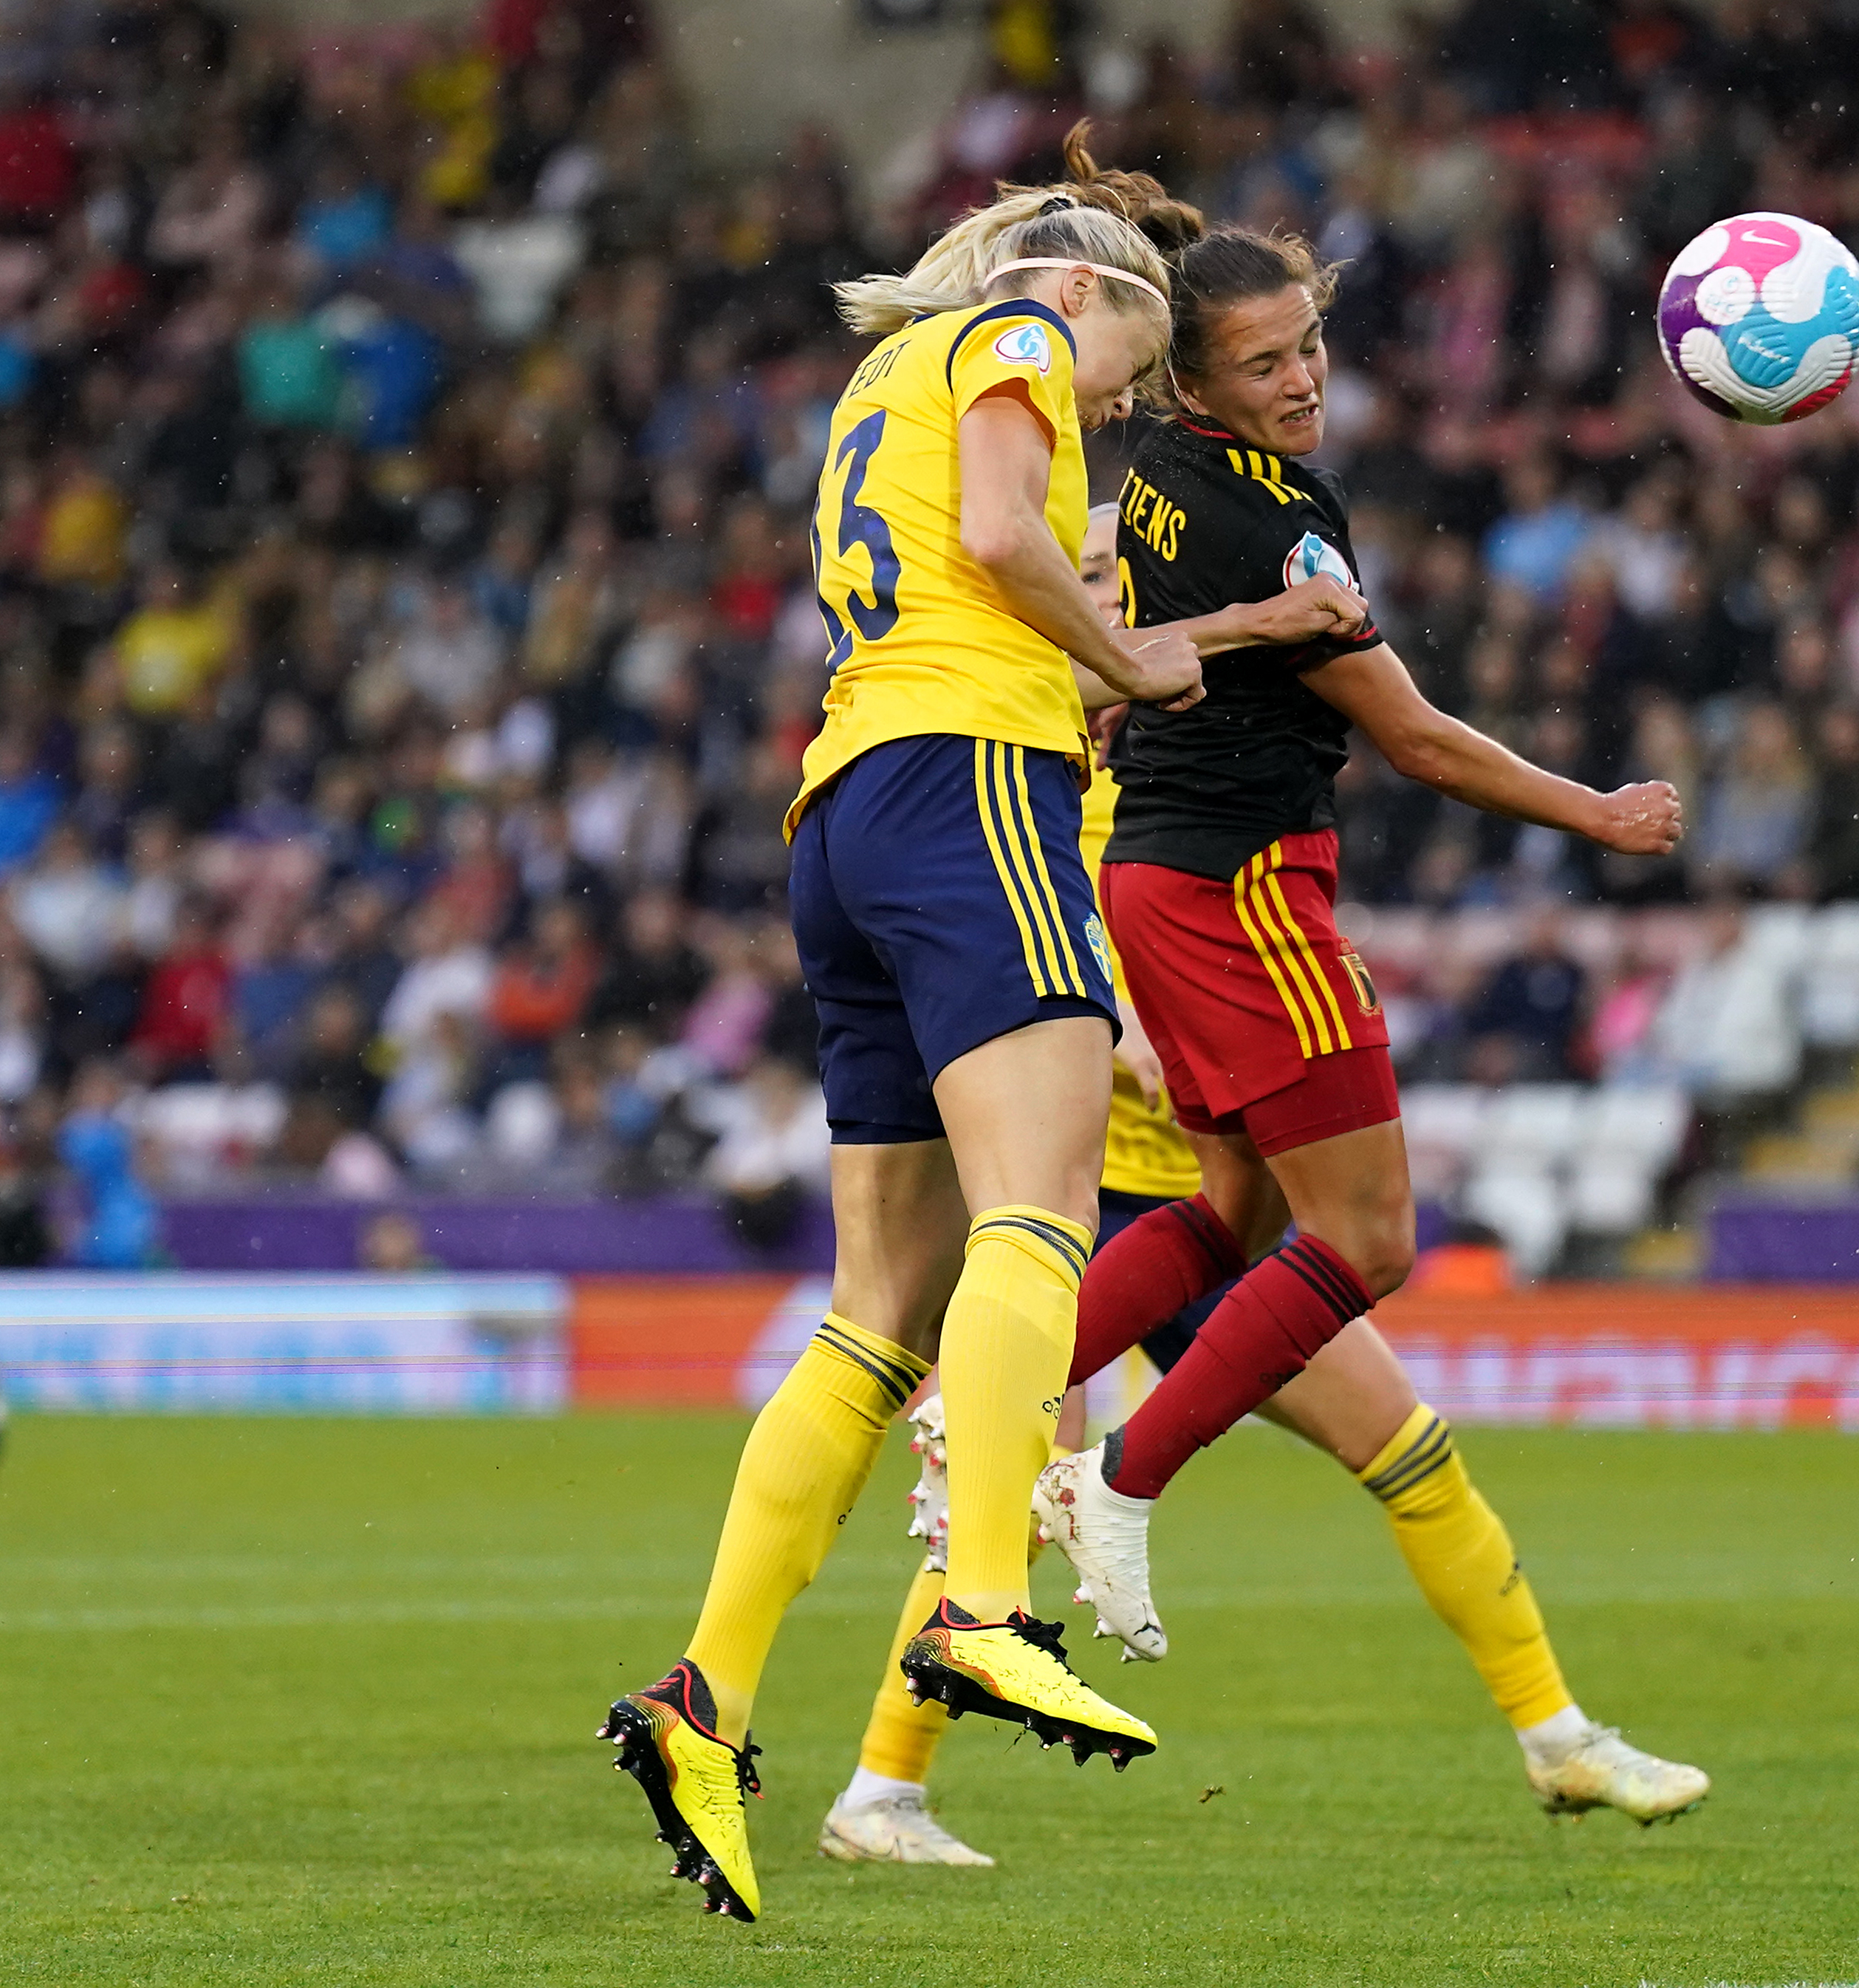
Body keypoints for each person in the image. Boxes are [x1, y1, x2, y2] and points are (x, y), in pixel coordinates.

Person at [598, 133, 1363, 1924]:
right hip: (966, 785)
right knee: (1043, 1210)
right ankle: (983, 1606)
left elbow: (997, 565)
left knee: (873, 1308)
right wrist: (1154, 656)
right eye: (1120, 371)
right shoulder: (1017, 334)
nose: (1111, 408)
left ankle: (703, 1695)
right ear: (1079, 291)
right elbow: (1015, 544)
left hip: (840, 806)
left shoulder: (886, 376)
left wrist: (1211, 618)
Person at [816, 510, 1706, 1861]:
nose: (1114, 599)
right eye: (1091, 576)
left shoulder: (1186, 753)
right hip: (1090, 1214)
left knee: (1412, 1453)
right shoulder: (1034, 770)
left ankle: (1559, 1738)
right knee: (1011, 1511)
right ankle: (882, 1790)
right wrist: (1116, 1028)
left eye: (1122, 575)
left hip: (1226, 1215)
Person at [1026, 217, 1682, 1685]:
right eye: (1264, 362)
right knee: (1369, 1238)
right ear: (1196, 381)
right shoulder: (1281, 519)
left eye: (1309, 344)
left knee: (1234, 1208)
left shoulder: (1161, 478)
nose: (1303, 378)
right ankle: (1117, 1479)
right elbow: (1416, 738)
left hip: (1159, 874)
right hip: (1245, 884)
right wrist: (1594, 810)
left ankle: (1004, 1388)